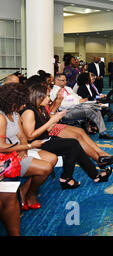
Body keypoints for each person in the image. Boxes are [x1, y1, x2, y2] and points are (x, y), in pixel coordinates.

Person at [20, 84, 113, 190]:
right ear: (37, 97)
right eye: (46, 96)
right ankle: (76, 177)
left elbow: (46, 130)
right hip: (37, 143)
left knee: (73, 144)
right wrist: (51, 121)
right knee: (72, 144)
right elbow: (30, 136)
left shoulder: (38, 109)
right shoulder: (29, 112)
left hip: (45, 138)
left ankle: (76, 177)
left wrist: (54, 120)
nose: (49, 99)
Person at [0, 83, 57, 211]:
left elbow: (22, 136)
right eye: (22, 102)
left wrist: (25, 148)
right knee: (46, 167)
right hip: (6, 156)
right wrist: (27, 146)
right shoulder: (1, 117)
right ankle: (29, 194)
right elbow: (1, 147)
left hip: (19, 149)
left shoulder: (15, 114)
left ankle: (25, 191)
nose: (24, 105)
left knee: (53, 159)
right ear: (12, 101)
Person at [50, 74, 113, 139]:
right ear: (56, 80)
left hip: (78, 107)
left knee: (94, 110)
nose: (65, 82)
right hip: (66, 112)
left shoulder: (67, 88)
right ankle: (97, 109)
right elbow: (62, 105)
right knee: (90, 108)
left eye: (66, 80)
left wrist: (80, 101)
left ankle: (103, 132)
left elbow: (77, 97)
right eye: (63, 80)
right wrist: (78, 101)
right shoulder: (54, 92)